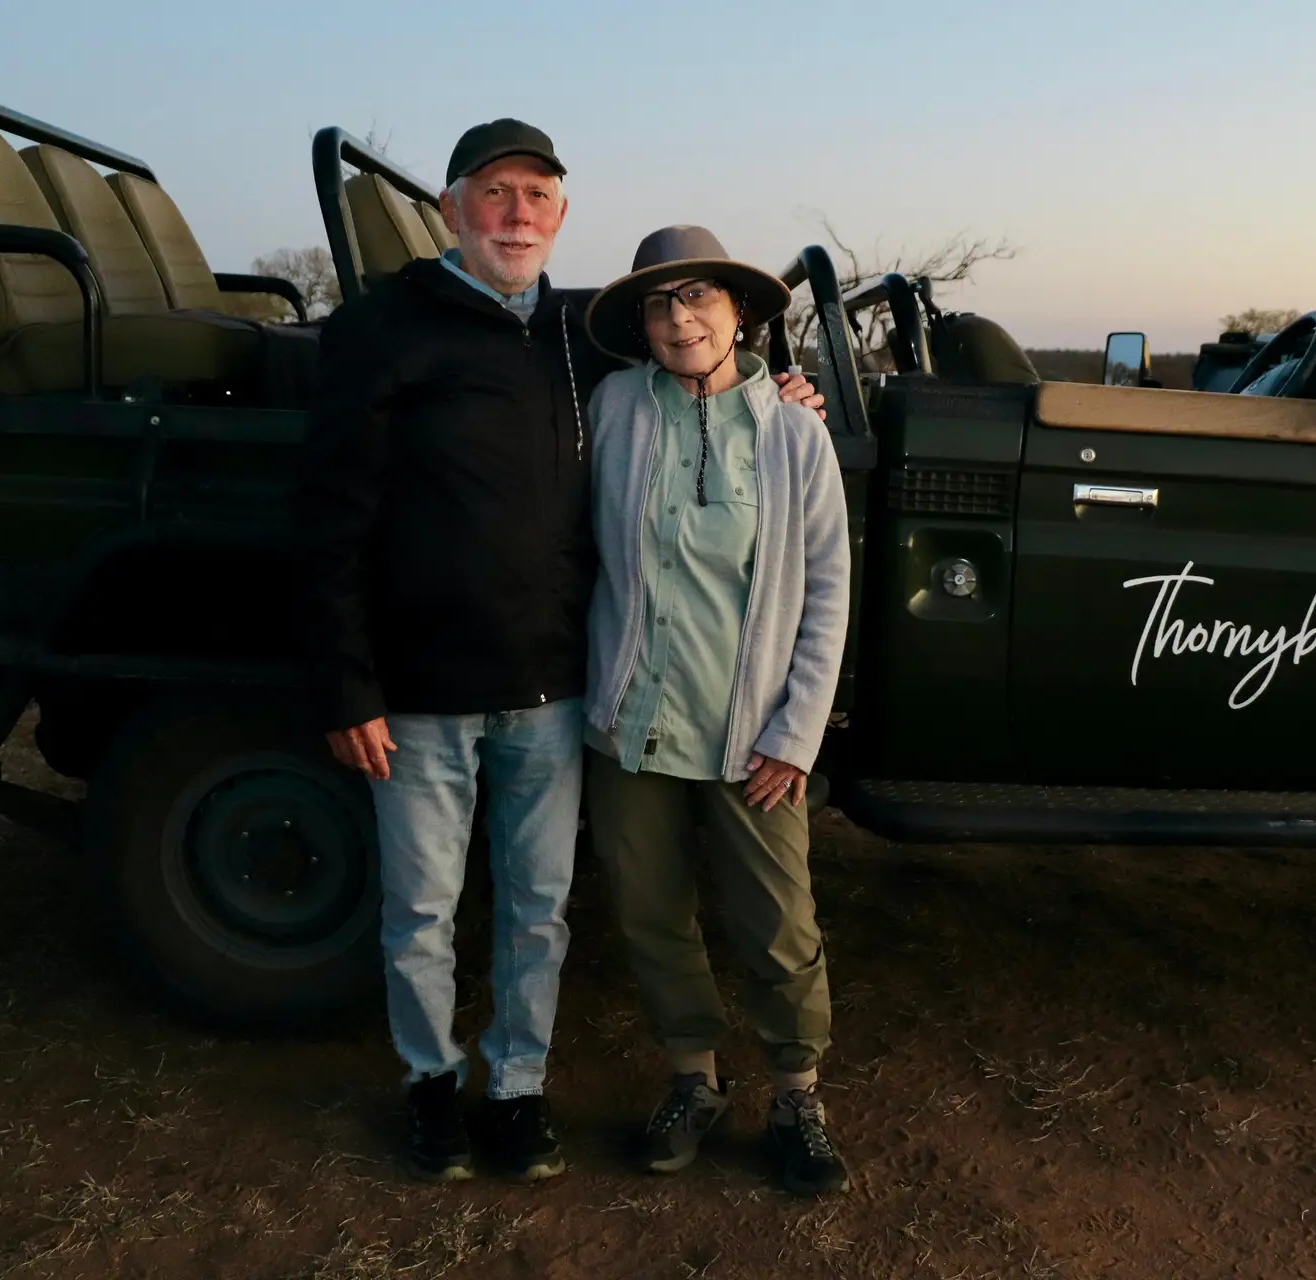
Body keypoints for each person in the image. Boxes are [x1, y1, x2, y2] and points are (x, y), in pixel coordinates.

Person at [292, 125, 822, 1184]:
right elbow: (327, 519)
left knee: (540, 911)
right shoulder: (382, 328)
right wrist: (347, 682)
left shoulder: (580, 338)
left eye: (537, 195)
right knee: (422, 911)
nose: (517, 213)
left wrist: (783, 389)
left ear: (562, 216)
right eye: (496, 192)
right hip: (422, 691)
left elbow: (707, 366)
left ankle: (519, 1089)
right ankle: (431, 1085)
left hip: (550, 690)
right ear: (453, 209)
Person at [580, 225, 853, 1196]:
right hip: (633, 725)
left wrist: (796, 733)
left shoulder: (794, 432)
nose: (679, 317)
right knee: (650, 910)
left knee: (778, 921)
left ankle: (797, 1097)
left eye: (700, 295)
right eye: (659, 302)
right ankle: (693, 1079)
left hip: (753, 739)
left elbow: (828, 592)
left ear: (741, 313)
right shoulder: (614, 408)